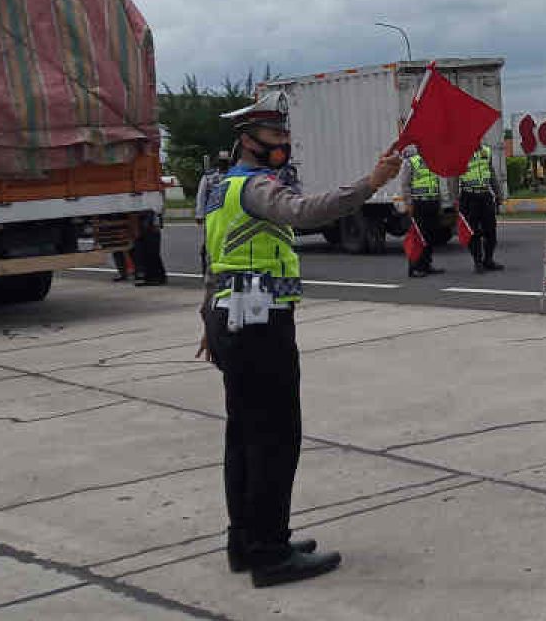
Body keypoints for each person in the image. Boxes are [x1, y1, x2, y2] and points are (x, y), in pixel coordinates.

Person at [196, 91, 401, 588]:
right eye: (274, 136)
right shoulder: (254, 187)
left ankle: (246, 542)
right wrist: (371, 183)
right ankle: (270, 554)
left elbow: (213, 259)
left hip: (233, 320)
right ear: (248, 141)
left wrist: (209, 323)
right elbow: (306, 211)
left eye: (286, 136)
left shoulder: (221, 188)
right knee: (274, 437)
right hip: (260, 325)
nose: (283, 144)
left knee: (243, 437)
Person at [449, 142, 504, 273]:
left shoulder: (486, 151)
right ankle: (477, 262)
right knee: (473, 232)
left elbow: (491, 174)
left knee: (491, 230)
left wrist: (498, 194)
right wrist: (455, 199)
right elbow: (454, 178)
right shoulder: (460, 153)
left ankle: (488, 260)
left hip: (485, 195)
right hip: (469, 196)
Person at [398, 146, 445, 277]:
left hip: (432, 202)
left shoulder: (433, 161)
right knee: (418, 237)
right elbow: (405, 184)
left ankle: (426, 264)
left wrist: (439, 202)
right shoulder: (411, 161)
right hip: (418, 203)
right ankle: (414, 267)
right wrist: (409, 203)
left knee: (430, 236)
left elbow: (436, 183)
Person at [196, 151, 232, 274]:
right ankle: (207, 270)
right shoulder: (208, 176)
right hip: (212, 216)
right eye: (222, 162)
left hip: (229, 215)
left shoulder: (234, 175)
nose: (224, 164)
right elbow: (201, 196)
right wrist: (199, 214)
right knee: (210, 243)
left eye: (226, 162)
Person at [132, 210, 167, 287]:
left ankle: (156, 276)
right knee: (140, 250)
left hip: (150, 218)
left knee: (152, 250)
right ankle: (145, 275)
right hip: (141, 217)